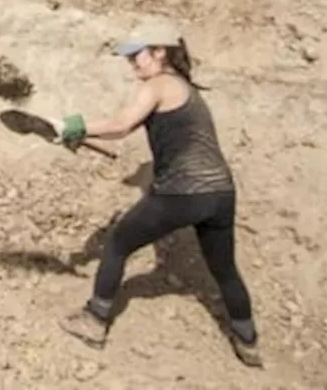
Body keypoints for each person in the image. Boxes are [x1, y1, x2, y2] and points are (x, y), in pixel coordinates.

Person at [46, 18, 261, 368]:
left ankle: (94, 320)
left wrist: (72, 124)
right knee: (224, 269)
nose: (132, 63)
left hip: (182, 192)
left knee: (117, 244)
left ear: (161, 53)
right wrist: (81, 137)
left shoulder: (159, 84)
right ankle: (248, 341)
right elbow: (120, 133)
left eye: (137, 55)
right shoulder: (185, 88)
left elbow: (121, 125)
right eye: (128, 57)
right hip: (220, 193)